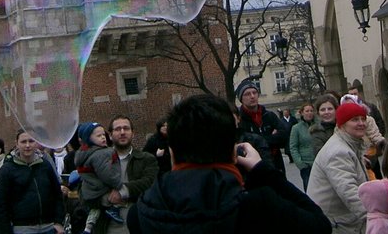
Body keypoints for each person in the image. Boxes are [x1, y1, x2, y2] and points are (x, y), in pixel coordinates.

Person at [126, 93, 330, 234]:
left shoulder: (141, 213)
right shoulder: (260, 206)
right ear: (233, 152)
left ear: (172, 153)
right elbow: (320, 225)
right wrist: (263, 171)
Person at [306, 98, 371, 232]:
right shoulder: (338, 152)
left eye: (363, 119)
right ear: (342, 125)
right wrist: (374, 217)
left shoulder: (351, 144)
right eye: (354, 120)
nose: (361, 123)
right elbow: (349, 192)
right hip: (334, 223)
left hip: (343, 219)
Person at [92, 116, 156, 234]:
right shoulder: (97, 161)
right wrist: (107, 199)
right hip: (108, 227)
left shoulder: (146, 159)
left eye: (126, 128)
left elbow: (150, 183)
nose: (122, 132)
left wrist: (122, 192)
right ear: (110, 135)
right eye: (117, 129)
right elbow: (84, 192)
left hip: (140, 225)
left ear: (133, 133)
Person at [0, 130, 64, 234]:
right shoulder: (7, 170)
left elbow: (57, 195)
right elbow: (0, 205)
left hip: (49, 226)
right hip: (22, 228)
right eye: (23, 142)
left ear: (36, 143)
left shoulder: (45, 166)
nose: (27, 145)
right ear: (16, 144)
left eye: (31, 141)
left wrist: (58, 222)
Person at [75, 122, 124, 233]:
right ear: (88, 139)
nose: (103, 137)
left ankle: (88, 228)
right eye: (98, 136)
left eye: (103, 134)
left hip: (90, 192)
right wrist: (119, 184)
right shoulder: (101, 154)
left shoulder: (83, 154)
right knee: (117, 200)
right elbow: (107, 174)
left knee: (94, 209)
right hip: (102, 191)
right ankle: (113, 210)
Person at [234, 80, 288, 173]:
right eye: (247, 94)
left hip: (275, 164)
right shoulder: (239, 120)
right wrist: (271, 138)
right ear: (241, 99)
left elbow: (284, 137)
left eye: (254, 92)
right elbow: (242, 143)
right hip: (252, 168)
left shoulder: (269, 115)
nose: (252, 96)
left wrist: (258, 139)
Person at [288, 102, 316, 190]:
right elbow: (293, 147)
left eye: (311, 111)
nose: (309, 113)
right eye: (307, 111)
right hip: (306, 164)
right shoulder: (296, 128)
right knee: (309, 189)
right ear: (302, 113)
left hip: (318, 162)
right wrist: (300, 164)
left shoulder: (318, 125)